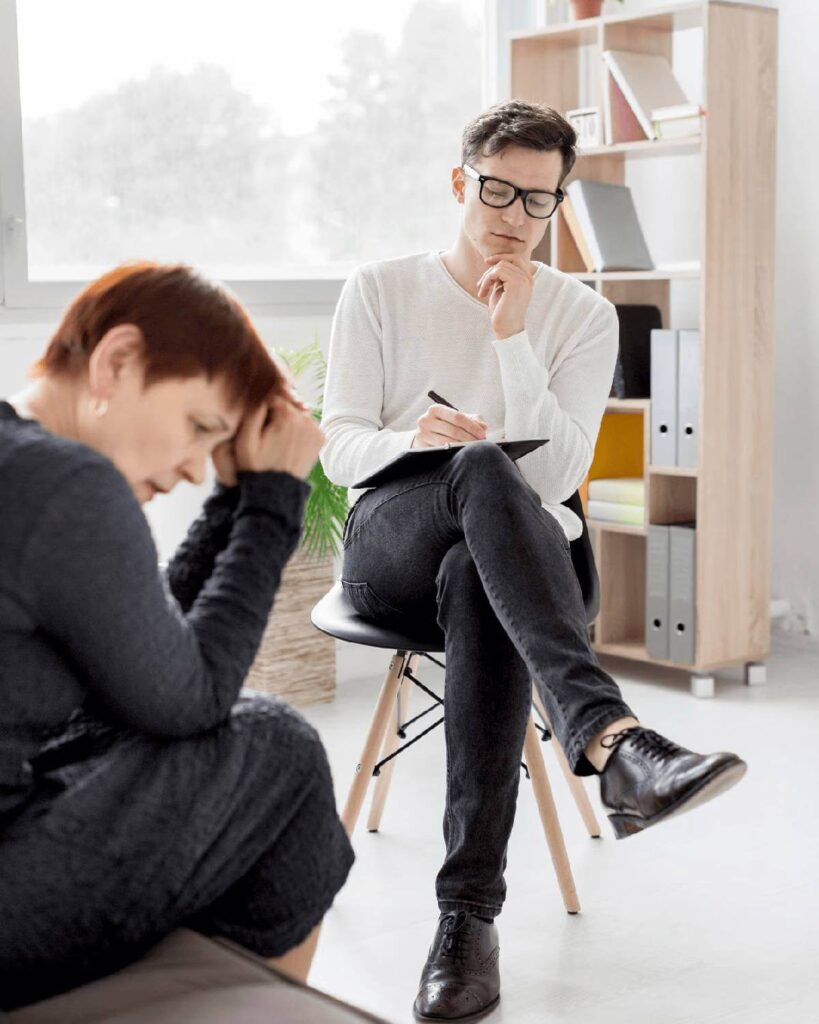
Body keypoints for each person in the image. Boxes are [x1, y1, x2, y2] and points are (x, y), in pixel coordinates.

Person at [320, 101, 746, 1022]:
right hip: (393, 538)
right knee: (478, 466)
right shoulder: (381, 288)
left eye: (538, 200)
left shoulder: (579, 315)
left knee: (481, 574)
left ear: (557, 204)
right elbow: (339, 446)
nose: (514, 216)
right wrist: (412, 441)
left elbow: (556, 478)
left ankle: (465, 921)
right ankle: (612, 740)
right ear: (459, 182)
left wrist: (510, 337)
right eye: (497, 190)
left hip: (510, 560)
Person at [0, 262, 354, 1011]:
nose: (194, 468)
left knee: (157, 729)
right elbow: (191, 701)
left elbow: (149, 671)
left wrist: (235, 497)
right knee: (280, 747)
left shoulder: (25, 467)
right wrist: (272, 500)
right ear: (118, 361)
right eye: (198, 427)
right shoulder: (65, 484)